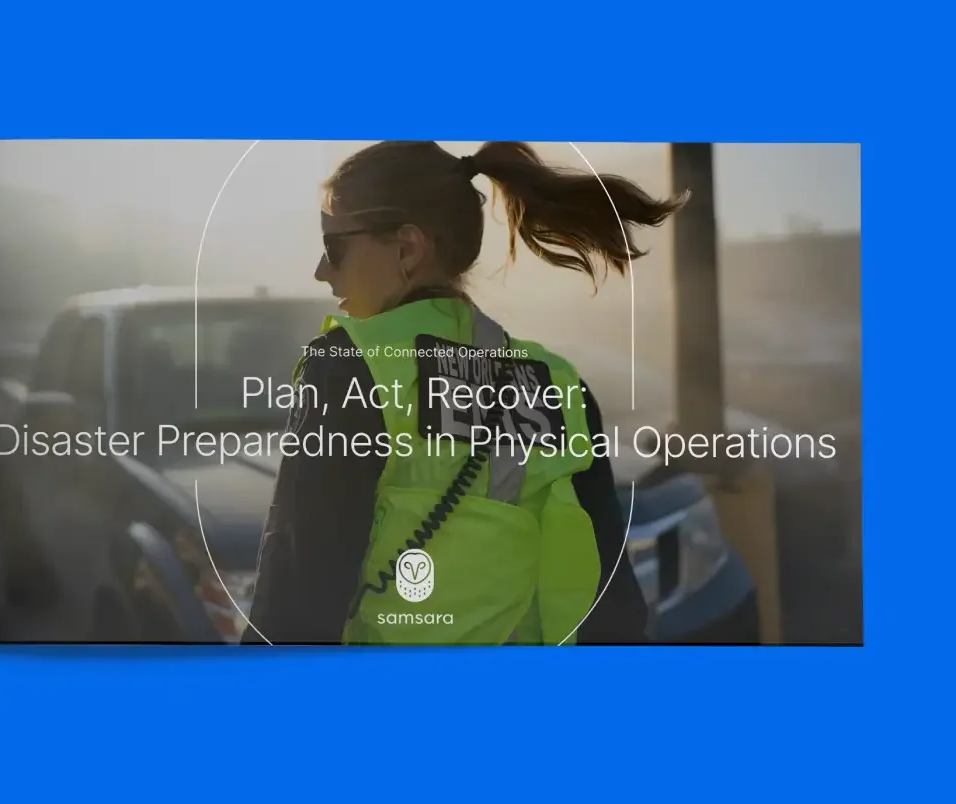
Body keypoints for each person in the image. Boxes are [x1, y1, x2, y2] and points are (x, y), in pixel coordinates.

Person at [242, 141, 687, 645]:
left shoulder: (347, 368)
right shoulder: (561, 384)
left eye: (334, 247)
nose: (322, 271)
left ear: (408, 249)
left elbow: (297, 596)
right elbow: (613, 602)